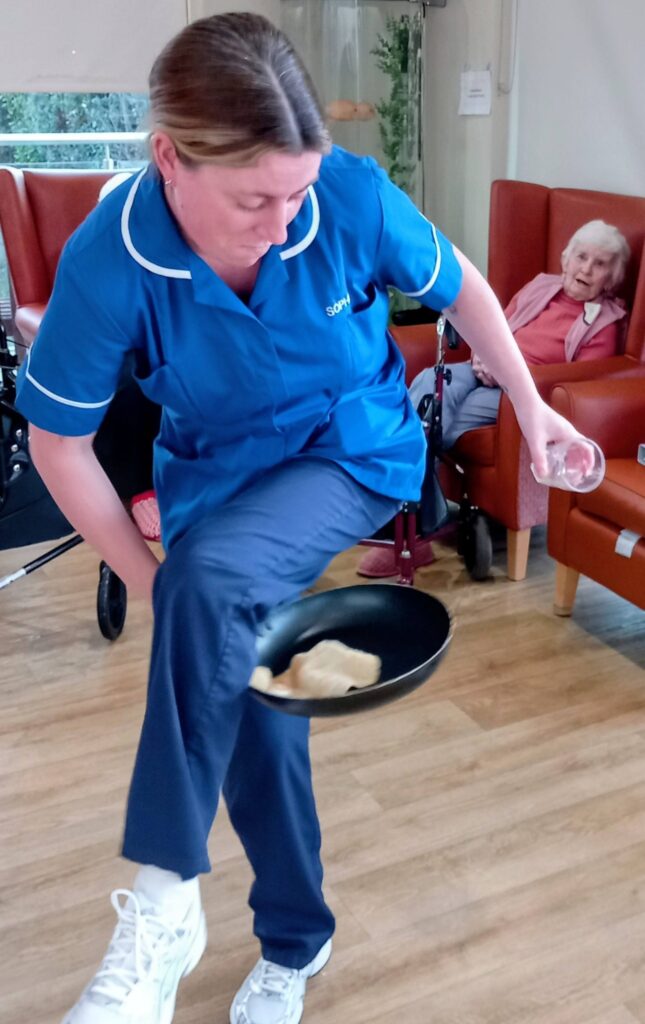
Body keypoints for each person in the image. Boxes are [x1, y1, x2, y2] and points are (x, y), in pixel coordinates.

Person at [16, 13, 584, 1024]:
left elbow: (465, 292)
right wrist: (156, 584)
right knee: (250, 697)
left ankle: (161, 899)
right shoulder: (113, 256)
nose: (283, 220)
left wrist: (534, 412)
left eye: (297, 189)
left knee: (216, 589)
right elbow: (60, 443)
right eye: (253, 199)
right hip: (217, 488)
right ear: (169, 162)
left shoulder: (351, 198)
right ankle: (296, 940)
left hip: (350, 454)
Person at [357, 218, 630, 578]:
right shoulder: (541, 286)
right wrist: (483, 356)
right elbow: (496, 326)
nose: (586, 269)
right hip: (486, 368)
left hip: (527, 394)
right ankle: (399, 503)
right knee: (429, 384)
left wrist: (510, 377)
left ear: (611, 279)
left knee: (441, 416)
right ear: (566, 258)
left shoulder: (605, 323)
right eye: (581, 257)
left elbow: (579, 383)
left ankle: (410, 528)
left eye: (599, 265)